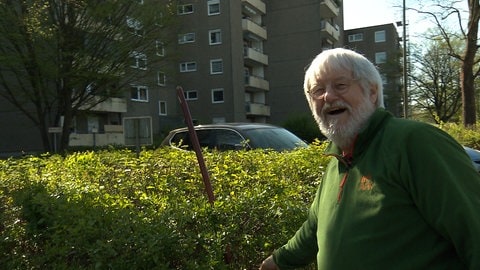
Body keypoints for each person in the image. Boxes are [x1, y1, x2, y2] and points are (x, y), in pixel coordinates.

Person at [259, 48, 480, 270]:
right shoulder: (337, 161)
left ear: (372, 92)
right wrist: (279, 261)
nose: (328, 96)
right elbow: (315, 229)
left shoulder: (415, 142)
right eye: (317, 90)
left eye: (340, 85)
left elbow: (473, 228)